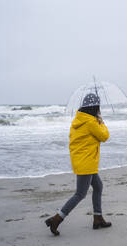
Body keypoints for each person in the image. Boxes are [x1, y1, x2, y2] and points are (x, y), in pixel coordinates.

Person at [45, 93, 111, 236]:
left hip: (82, 161)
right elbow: (104, 136)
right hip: (86, 162)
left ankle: (98, 218)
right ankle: (57, 219)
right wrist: (102, 122)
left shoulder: (78, 120)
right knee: (80, 194)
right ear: (95, 108)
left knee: (98, 186)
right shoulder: (91, 122)